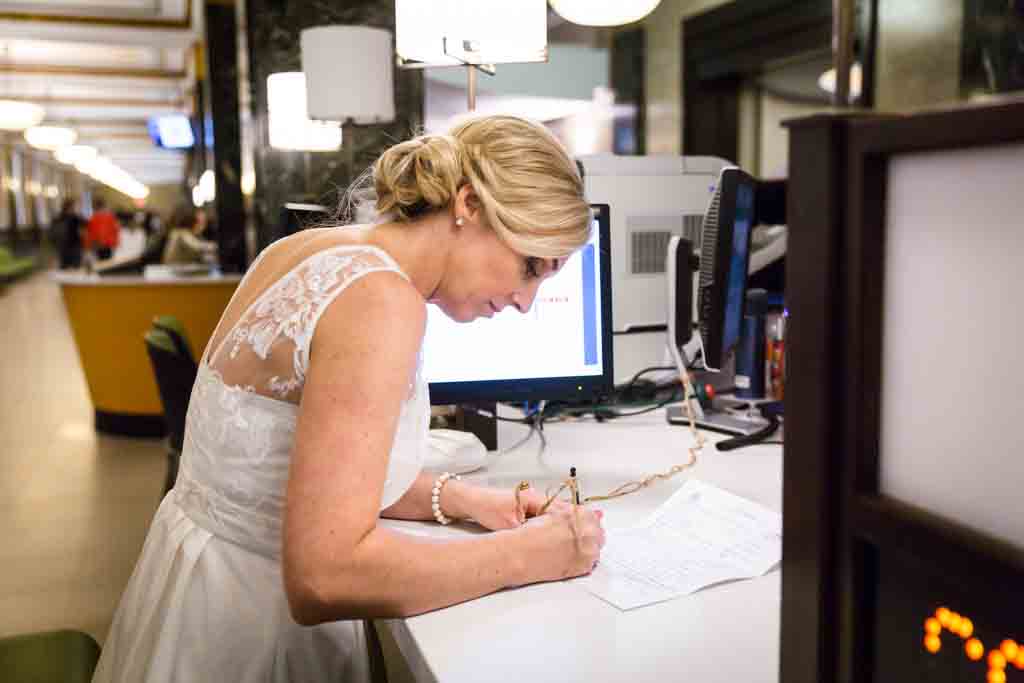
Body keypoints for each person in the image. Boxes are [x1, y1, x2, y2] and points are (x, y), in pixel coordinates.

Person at [92, 115, 606, 682]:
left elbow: (295, 473)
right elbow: (325, 576)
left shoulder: (308, 248)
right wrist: (531, 557)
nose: (526, 302)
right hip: (256, 634)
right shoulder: (381, 303)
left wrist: (459, 499)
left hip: (196, 588)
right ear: (469, 205)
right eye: (530, 267)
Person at [50, 198, 83, 269]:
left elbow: (53, 233)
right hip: (72, 245)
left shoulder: (57, 218)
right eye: (74, 207)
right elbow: (85, 225)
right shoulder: (74, 217)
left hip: (63, 246)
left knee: (65, 266)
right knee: (75, 266)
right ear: (70, 207)